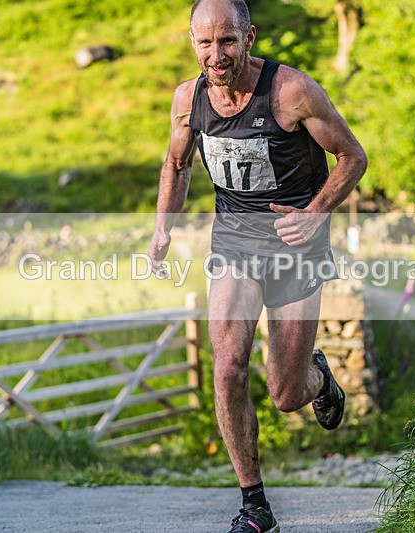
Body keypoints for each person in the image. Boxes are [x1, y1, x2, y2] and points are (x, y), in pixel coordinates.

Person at [148, 0, 367, 531]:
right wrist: (163, 228)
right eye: (205, 43)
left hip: (296, 247)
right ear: (192, 42)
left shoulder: (290, 91)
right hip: (234, 247)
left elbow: (353, 157)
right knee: (226, 367)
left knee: (286, 395)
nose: (216, 55)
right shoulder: (188, 100)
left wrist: (315, 216)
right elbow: (176, 165)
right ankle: (254, 505)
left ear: (249, 37)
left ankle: (320, 379)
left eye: (227, 41)